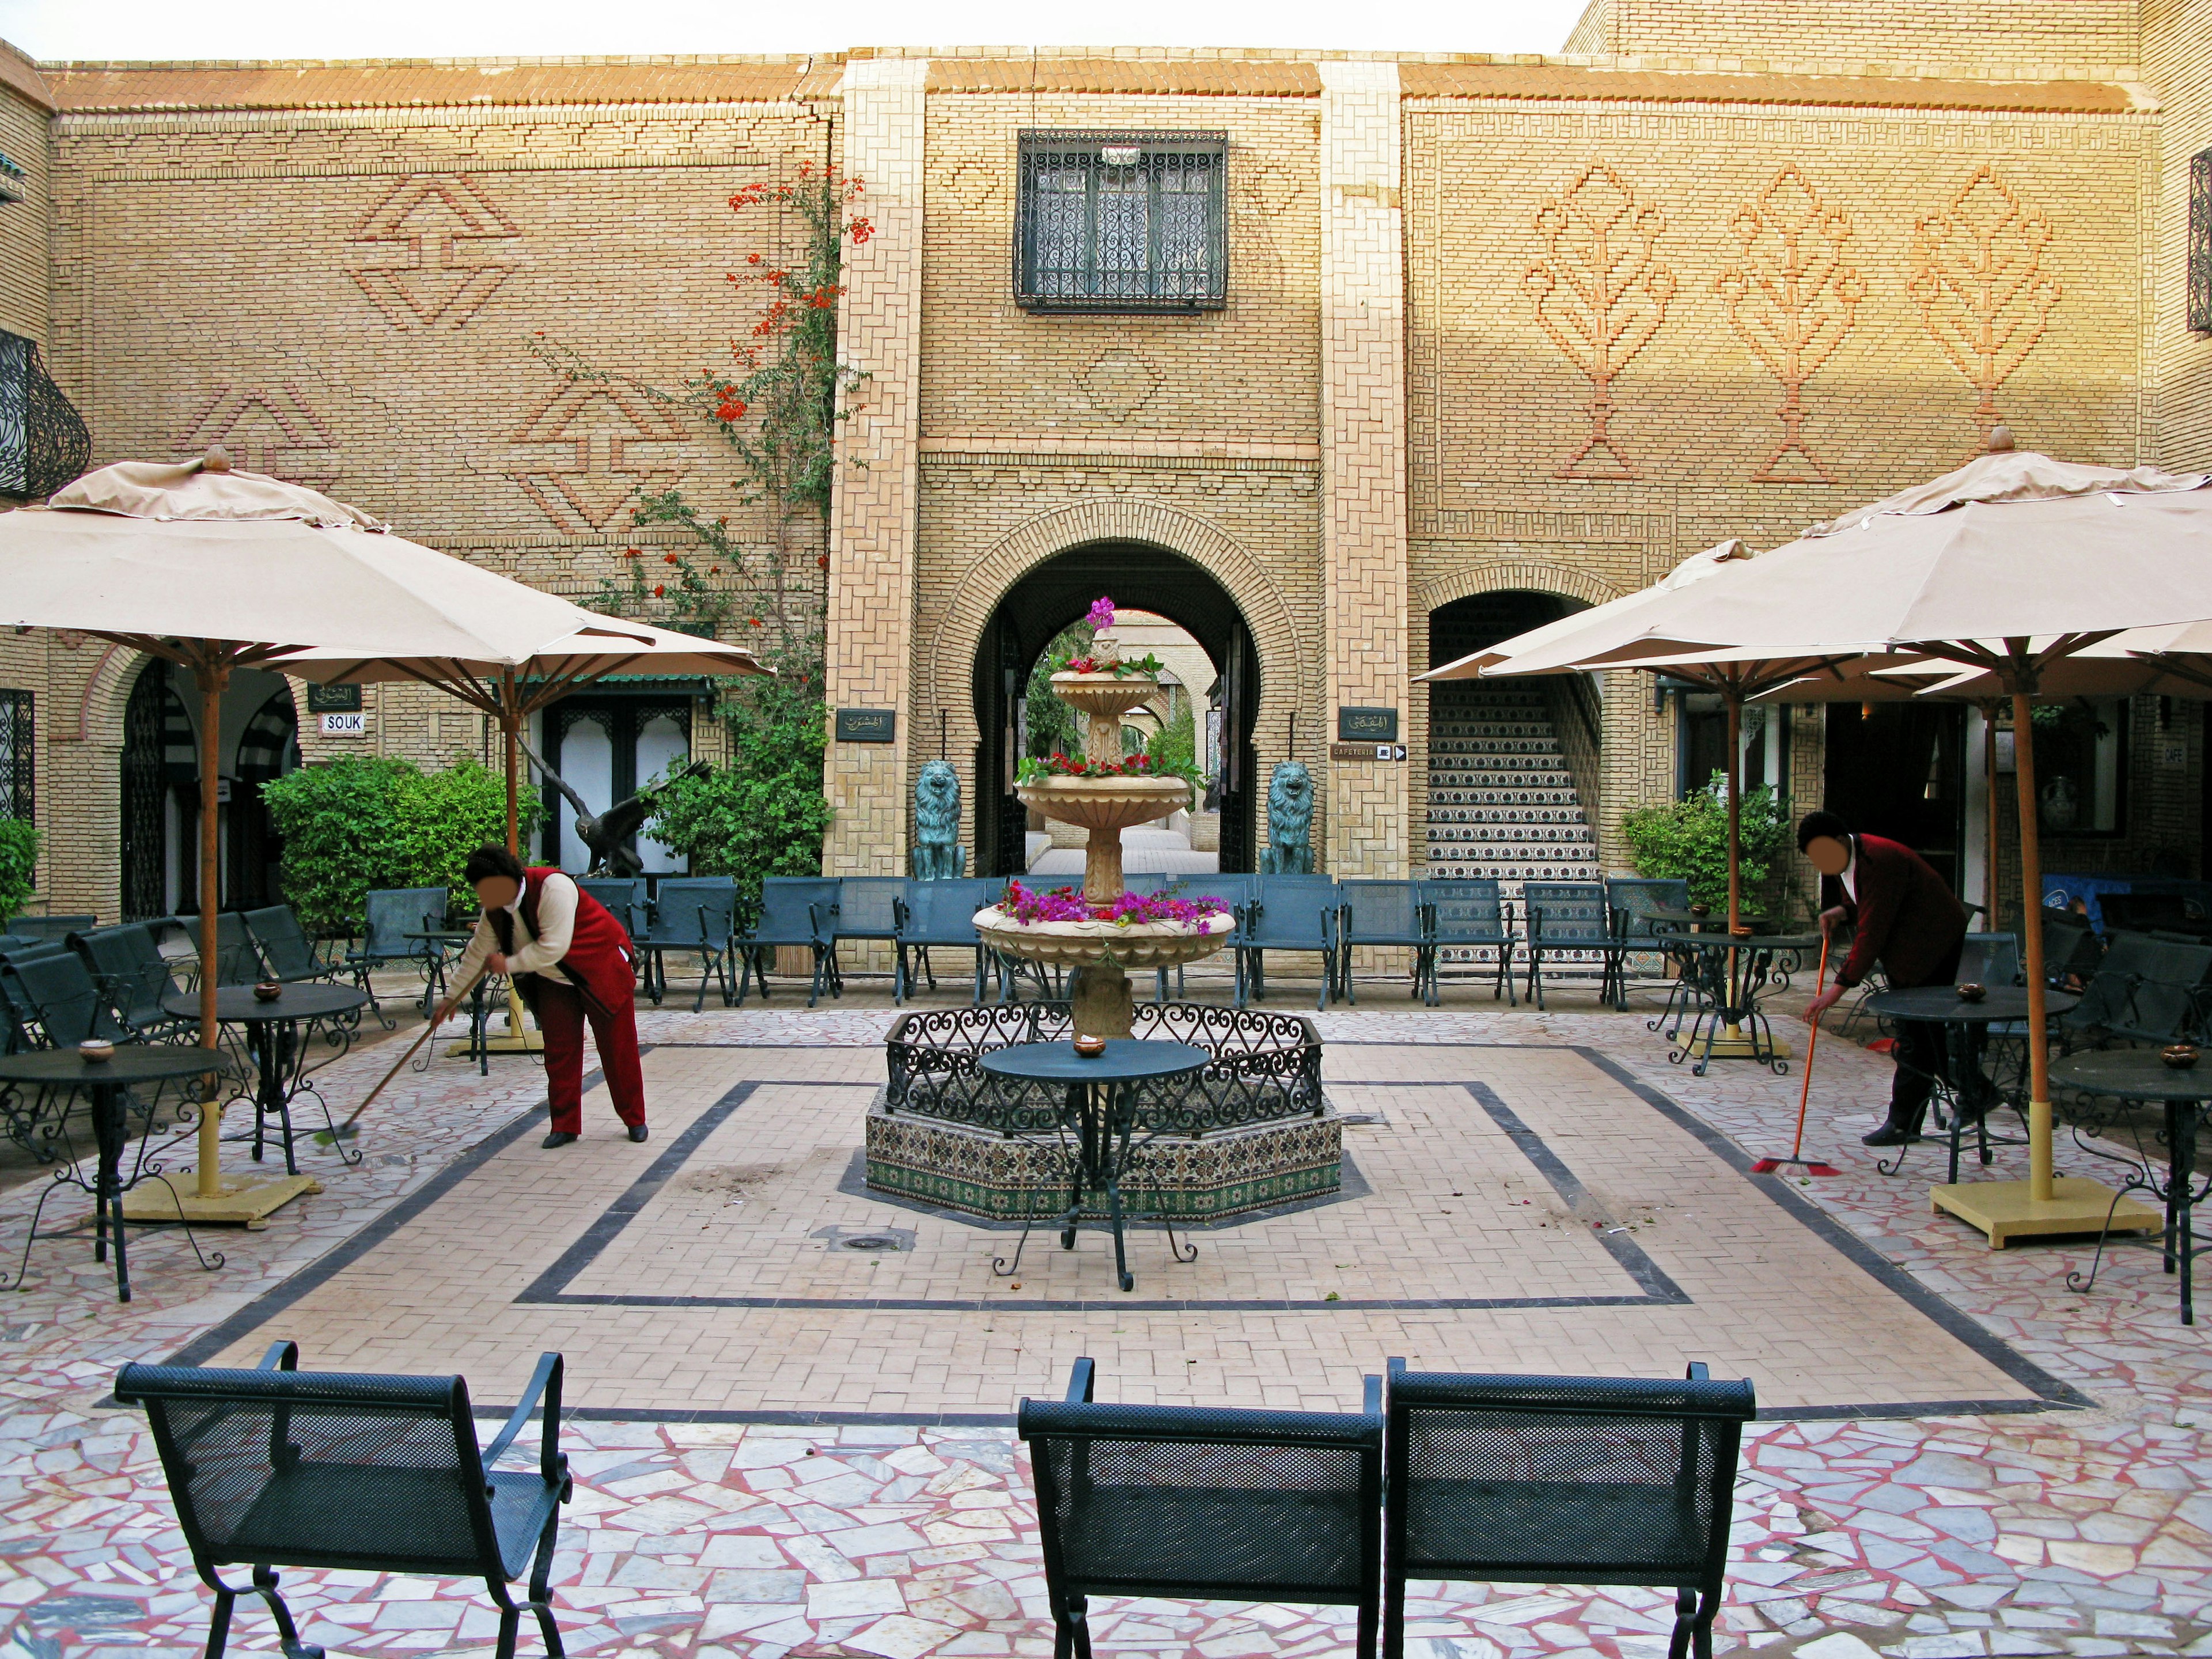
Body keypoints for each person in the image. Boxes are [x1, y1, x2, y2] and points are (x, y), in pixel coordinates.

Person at [437, 845, 648, 1150]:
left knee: (618, 1048)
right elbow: (476, 954)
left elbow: (554, 946)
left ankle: (634, 1119)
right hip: (553, 978)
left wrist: (507, 964)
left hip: (601, 967)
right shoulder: (494, 911)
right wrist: (451, 999)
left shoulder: (554, 886)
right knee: (559, 1051)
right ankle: (564, 1125)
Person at [1798, 810, 1976, 1147]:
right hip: (1908, 944)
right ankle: (1975, 1091)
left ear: (1839, 841)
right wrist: (1843, 911)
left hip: (1932, 942)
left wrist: (1836, 991)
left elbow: (1872, 932)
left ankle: (1904, 1123)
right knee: (1922, 1036)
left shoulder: (1878, 860)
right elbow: (1864, 904)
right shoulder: (1848, 859)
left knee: (1916, 1036)